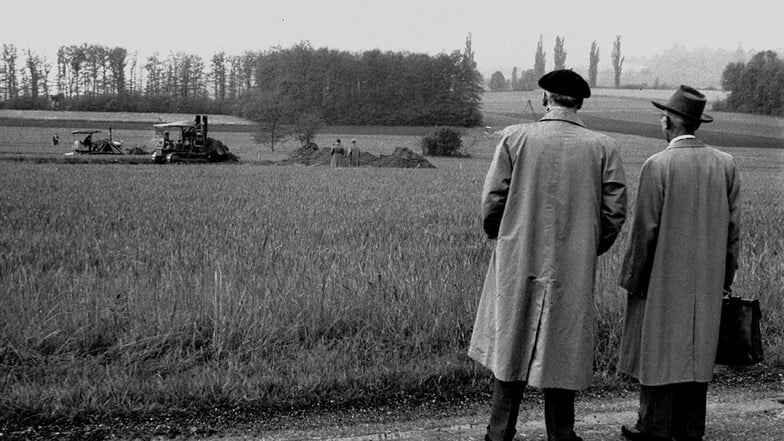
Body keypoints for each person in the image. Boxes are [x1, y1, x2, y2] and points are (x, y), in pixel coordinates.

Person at [469, 69, 628, 441]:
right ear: (580, 102)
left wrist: (503, 237)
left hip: (516, 256)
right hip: (573, 262)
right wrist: (589, 247)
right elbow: (615, 212)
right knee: (563, 344)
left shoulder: (514, 138)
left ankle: (498, 432)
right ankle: (562, 434)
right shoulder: (603, 147)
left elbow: (493, 201)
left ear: (545, 99)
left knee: (510, 340)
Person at [617, 85, 741, 441]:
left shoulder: (658, 165)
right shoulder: (725, 164)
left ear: (669, 121)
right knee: (696, 352)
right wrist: (725, 277)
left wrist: (634, 279)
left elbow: (644, 232)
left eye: (663, 115)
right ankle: (690, 428)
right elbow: (734, 230)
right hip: (707, 281)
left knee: (657, 351)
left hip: (662, 280)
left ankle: (652, 426)